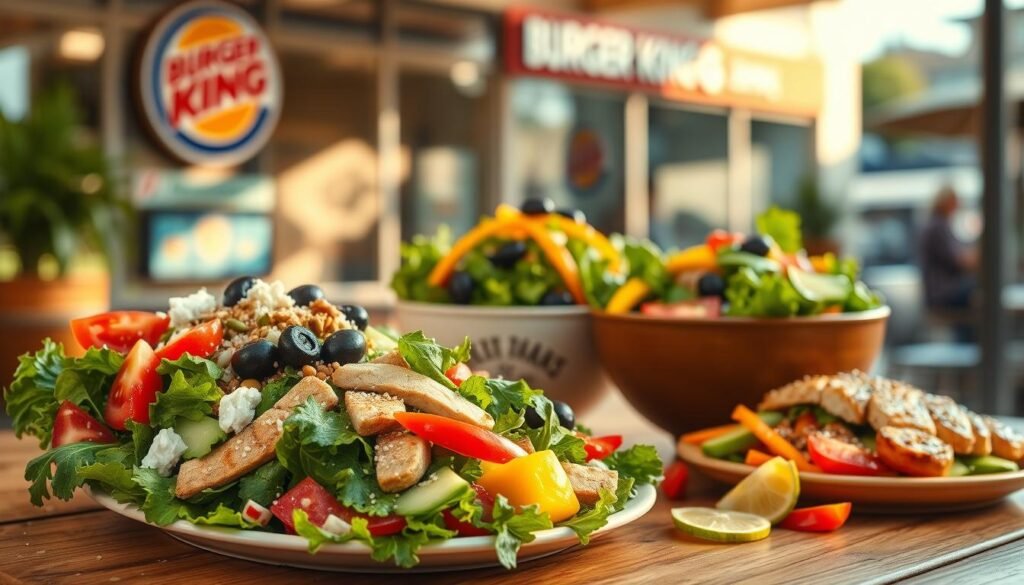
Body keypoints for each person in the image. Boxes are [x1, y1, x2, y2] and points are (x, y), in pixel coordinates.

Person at [920, 185, 978, 315]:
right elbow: (957, 260)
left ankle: (967, 333)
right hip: (942, 293)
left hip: (941, 291)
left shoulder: (939, 224)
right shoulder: (938, 226)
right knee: (980, 288)